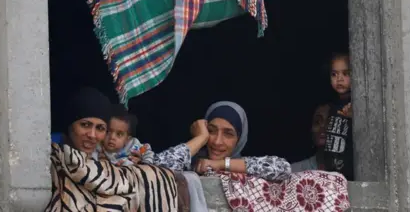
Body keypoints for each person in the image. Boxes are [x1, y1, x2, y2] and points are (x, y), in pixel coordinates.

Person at [46, 87, 179, 212]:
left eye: (100, 128)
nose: (92, 135)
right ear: (69, 126)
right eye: (85, 125)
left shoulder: (114, 159)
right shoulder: (50, 149)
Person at [154, 101, 291, 181]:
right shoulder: (190, 164)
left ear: (240, 139)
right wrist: (200, 138)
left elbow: (283, 168)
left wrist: (220, 164)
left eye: (228, 134)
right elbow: (155, 171)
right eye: (212, 131)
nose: (217, 142)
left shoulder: (248, 168)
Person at [325, 52, 354, 180]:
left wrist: (354, 117)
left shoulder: (354, 104)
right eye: (334, 74)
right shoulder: (333, 105)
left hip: (349, 176)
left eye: (346, 73)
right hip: (332, 174)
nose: (339, 79)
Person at [290, 102, 332, 173]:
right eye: (317, 122)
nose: (323, 128)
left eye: (330, 123)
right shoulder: (294, 171)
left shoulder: (352, 171)